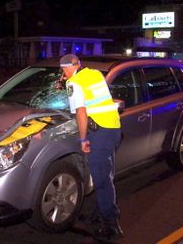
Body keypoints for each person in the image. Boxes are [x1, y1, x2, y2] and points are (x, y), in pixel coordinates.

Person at [59, 54, 123, 241]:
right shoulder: (94, 74)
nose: (64, 73)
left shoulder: (74, 83)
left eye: (64, 69)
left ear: (68, 67)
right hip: (113, 128)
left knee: (101, 179)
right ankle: (101, 211)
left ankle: (111, 224)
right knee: (106, 174)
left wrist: (83, 139)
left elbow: (81, 112)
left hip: (100, 133)